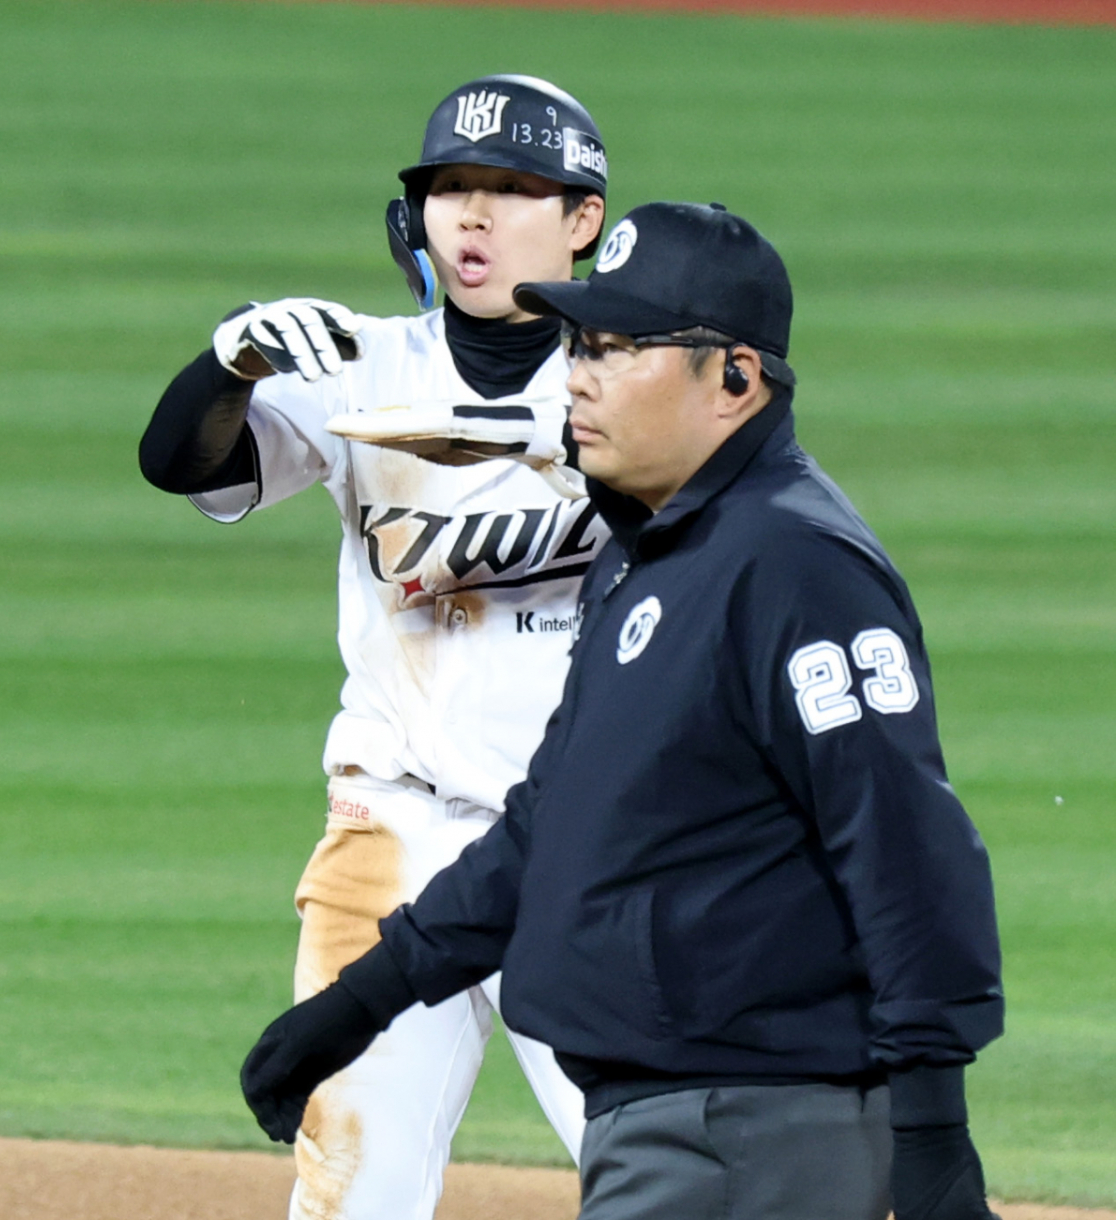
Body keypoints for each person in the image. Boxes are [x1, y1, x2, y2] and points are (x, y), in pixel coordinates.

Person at [239, 202, 1006, 1220]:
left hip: (750, 1128)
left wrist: (933, 1126)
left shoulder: (793, 567)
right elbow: (548, 822)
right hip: (670, 1122)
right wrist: (366, 997)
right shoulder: (646, 556)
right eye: (578, 344)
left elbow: (906, 845)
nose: (577, 376)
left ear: (735, 377)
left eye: (617, 348)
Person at [139, 75, 609, 1220]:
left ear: (583, 219)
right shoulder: (367, 367)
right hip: (393, 825)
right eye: (452, 187)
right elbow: (183, 462)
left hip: (587, 840)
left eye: (513, 189)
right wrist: (230, 364)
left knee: (660, 1170)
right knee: (357, 1191)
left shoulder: (635, 380)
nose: (475, 214)